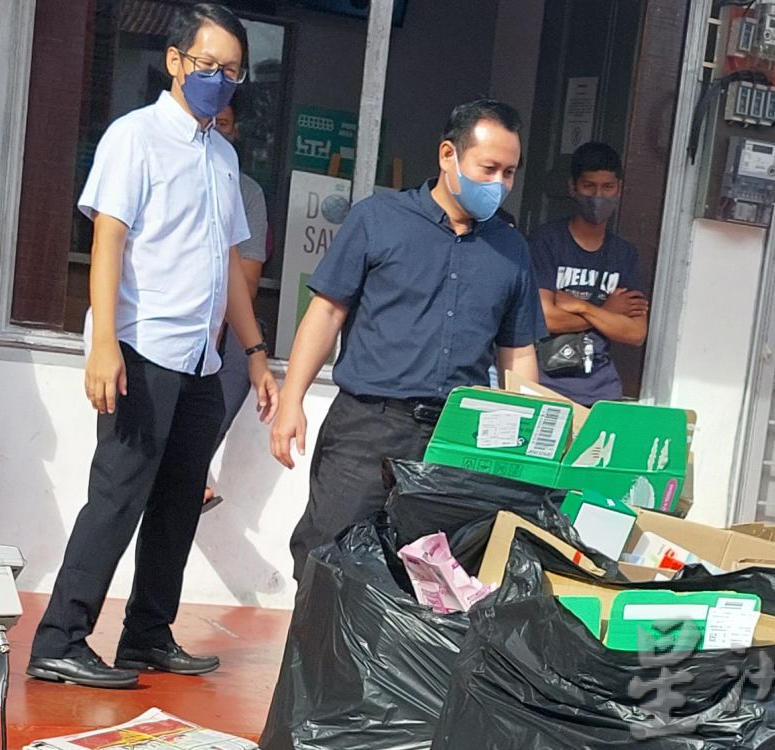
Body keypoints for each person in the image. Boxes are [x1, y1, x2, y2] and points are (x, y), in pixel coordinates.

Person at [27, 3, 277, 690]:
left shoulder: (223, 157)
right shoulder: (133, 138)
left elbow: (229, 266)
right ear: (174, 62)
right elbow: (108, 241)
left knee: (176, 504)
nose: (219, 81)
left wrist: (254, 353)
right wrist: (102, 341)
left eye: (232, 72)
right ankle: (60, 638)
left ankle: (147, 635)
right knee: (117, 497)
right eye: (208, 66)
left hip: (201, 359)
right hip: (140, 349)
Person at [271, 98, 543, 581]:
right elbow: (327, 311)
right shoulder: (378, 219)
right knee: (328, 563)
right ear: (447, 156)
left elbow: (517, 353)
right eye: (489, 168)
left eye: (509, 172)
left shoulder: (510, 249)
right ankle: (315, 660)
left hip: (457, 441)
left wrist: (526, 443)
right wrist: (291, 399)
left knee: (433, 582)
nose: (499, 184)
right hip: (368, 430)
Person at [528, 141, 648, 405]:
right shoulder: (545, 242)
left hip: (602, 391)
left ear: (619, 189)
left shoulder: (625, 254)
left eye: (608, 187)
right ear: (573, 187)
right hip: (545, 385)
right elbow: (546, 319)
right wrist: (608, 311)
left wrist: (582, 307)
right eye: (589, 186)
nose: (598, 197)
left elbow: (635, 332)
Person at [203, 100, 270, 513]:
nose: (216, 130)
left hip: (221, 313)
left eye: (224, 123)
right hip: (164, 320)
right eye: (210, 122)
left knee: (242, 345)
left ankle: (193, 464)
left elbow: (244, 278)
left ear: (236, 132)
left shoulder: (246, 192)